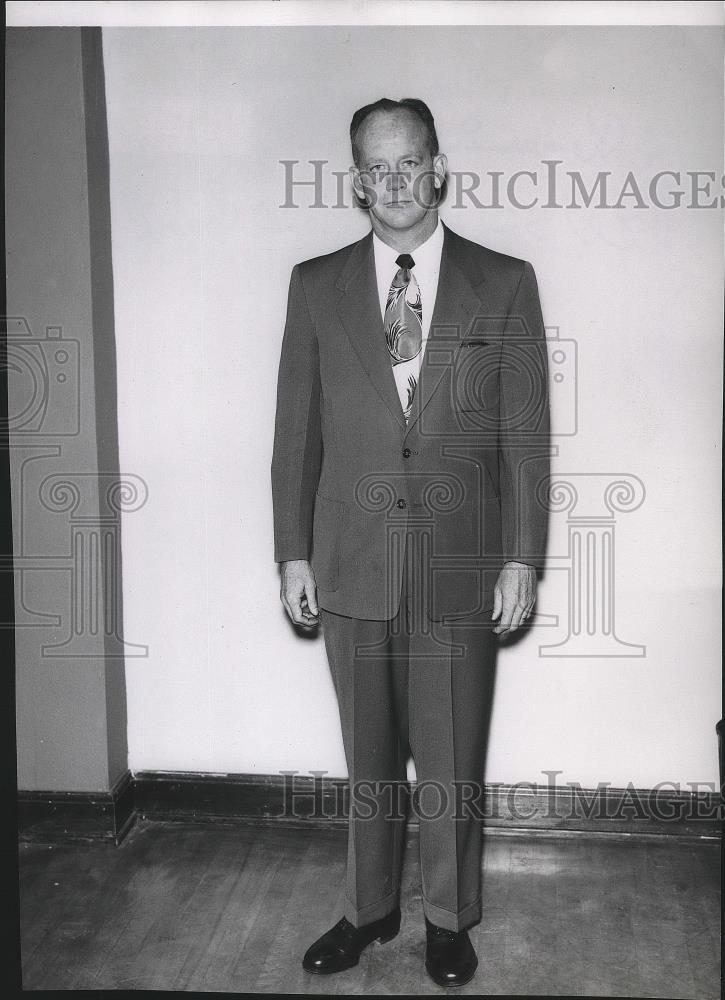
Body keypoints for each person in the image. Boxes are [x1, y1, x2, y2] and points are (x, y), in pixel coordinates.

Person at [271, 97, 550, 987]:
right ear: (358, 179)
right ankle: (368, 909)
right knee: (367, 759)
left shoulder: (502, 281)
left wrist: (520, 555)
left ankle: (448, 919)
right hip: (350, 558)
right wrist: (291, 551)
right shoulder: (315, 285)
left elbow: (525, 435)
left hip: (460, 562)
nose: (394, 183)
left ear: (438, 168)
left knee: (450, 753)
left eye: (409, 163)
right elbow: (294, 436)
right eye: (375, 168)